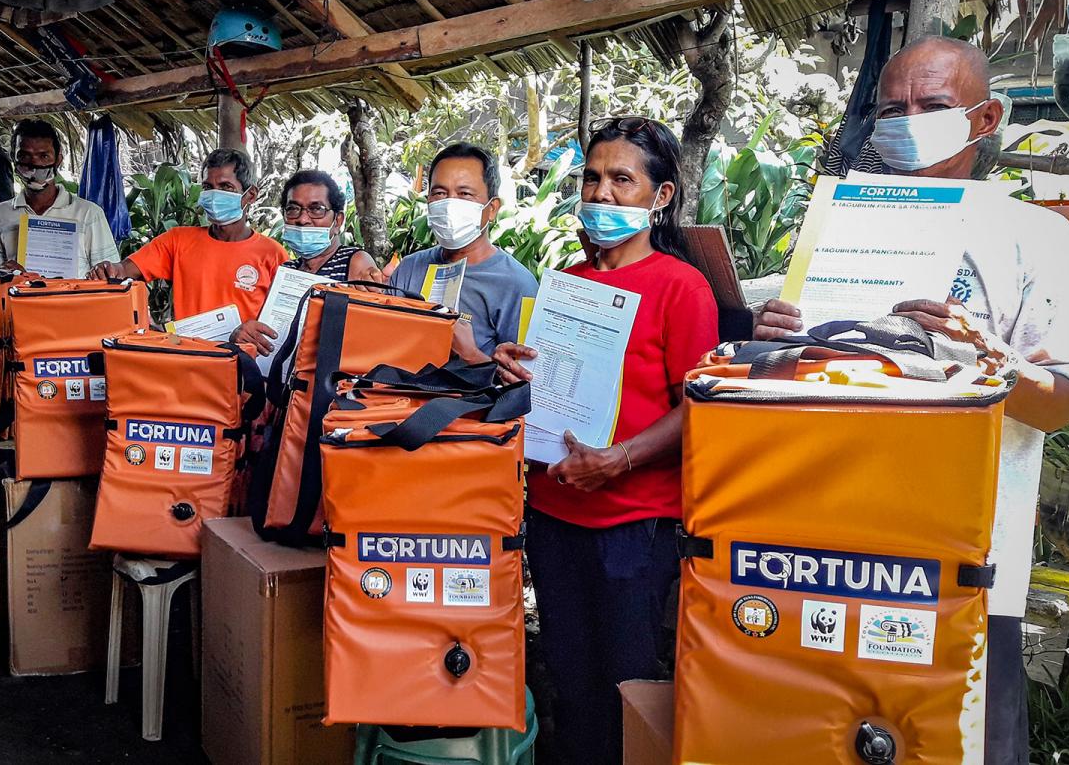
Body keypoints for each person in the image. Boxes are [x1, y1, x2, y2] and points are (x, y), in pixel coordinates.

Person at [754, 36, 1069, 764]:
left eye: (932, 107)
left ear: (985, 116)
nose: (908, 122)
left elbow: (1058, 404)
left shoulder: (1040, 238)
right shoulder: (837, 229)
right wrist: (774, 338)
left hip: (964, 565)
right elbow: (796, 385)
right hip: (834, 549)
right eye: (891, 109)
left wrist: (986, 353)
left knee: (963, 746)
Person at [492, 118, 718, 763]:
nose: (603, 194)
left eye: (623, 179)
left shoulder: (681, 286)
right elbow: (554, 383)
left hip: (633, 522)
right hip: (556, 510)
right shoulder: (568, 279)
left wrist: (619, 459)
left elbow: (699, 405)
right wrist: (515, 364)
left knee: (628, 681)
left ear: (662, 196)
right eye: (593, 178)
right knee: (569, 672)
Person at [89, 148, 288, 322]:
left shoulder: (273, 255)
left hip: (245, 362)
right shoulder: (177, 240)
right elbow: (125, 270)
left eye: (226, 187)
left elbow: (282, 319)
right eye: (208, 187)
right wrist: (109, 270)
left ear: (251, 195)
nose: (214, 195)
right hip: (189, 357)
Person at [388, 143, 538, 362]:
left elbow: (523, 381)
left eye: (465, 194)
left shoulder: (518, 285)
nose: (449, 204)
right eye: (439, 193)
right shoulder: (409, 268)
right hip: (393, 394)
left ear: (492, 208)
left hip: (466, 397)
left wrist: (471, 355)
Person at [231, 170, 379, 355]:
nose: (302, 219)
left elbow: (367, 338)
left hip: (328, 381)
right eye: (293, 209)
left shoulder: (355, 261)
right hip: (281, 379)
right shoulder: (287, 269)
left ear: (337, 220)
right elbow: (268, 332)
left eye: (316, 209)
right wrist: (244, 334)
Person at [0, 119, 118, 278]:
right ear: (13, 158)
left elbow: (109, 274)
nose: (34, 164)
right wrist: (4, 272)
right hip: (19, 302)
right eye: (25, 156)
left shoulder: (89, 214)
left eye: (44, 156)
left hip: (71, 302)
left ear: (58, 159)